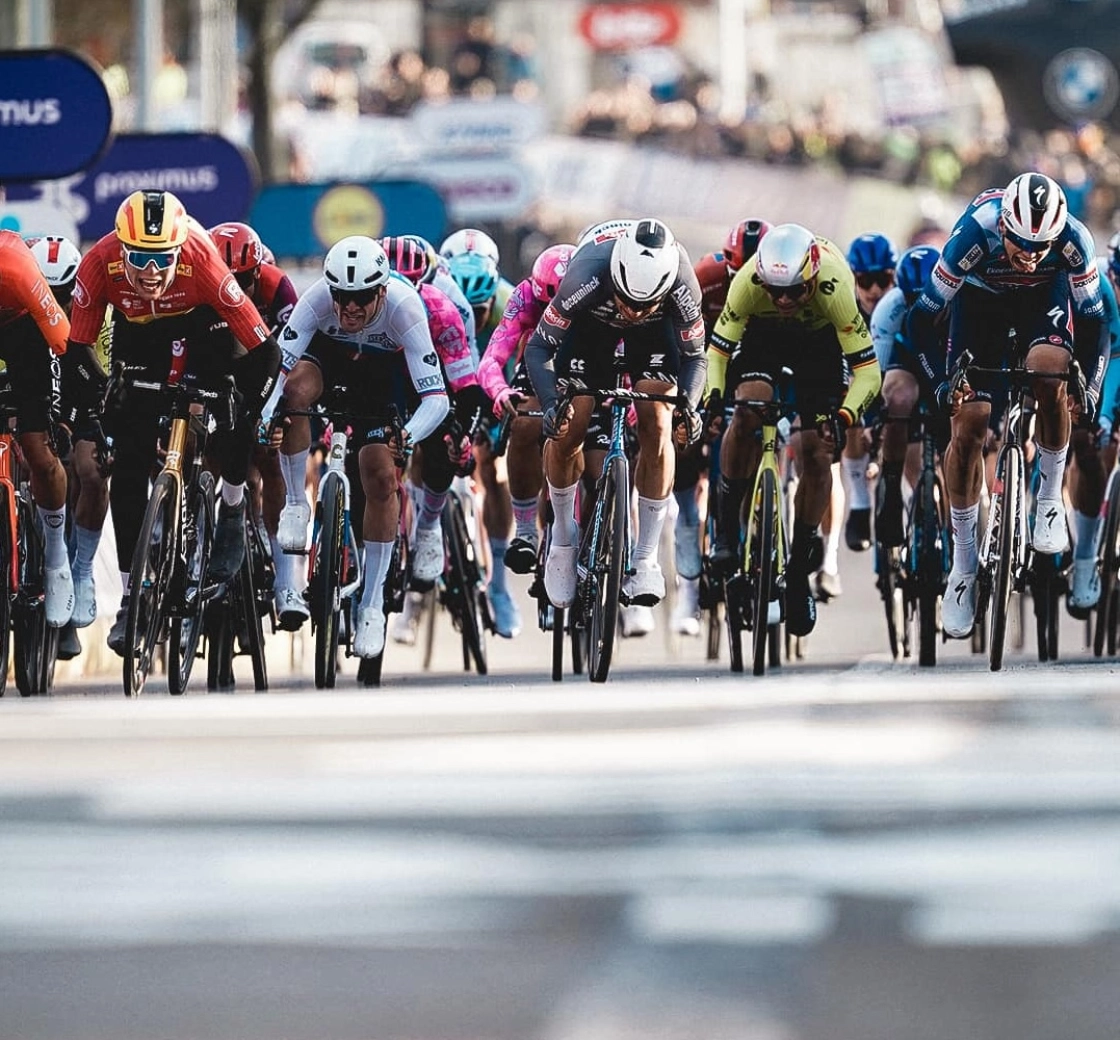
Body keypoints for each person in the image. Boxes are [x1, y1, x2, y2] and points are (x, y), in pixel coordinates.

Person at [64, 190, 282, 655]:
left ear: (178, 248)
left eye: (160, 257)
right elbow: (76, 350)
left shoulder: (200, 257)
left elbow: (264, 353)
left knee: (235, 412)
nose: (149, 271)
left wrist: (245, 412)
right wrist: (103, 398)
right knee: (126, 460)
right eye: (138, 257)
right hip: (137, 336)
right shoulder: (99, 262)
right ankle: (132, 596)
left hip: (204, 326)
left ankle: (231, 505)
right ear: (120, 247)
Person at [908, 172, 1107, 639]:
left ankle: (1048, 500)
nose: (1031, 255)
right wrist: (941, 384)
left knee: (1050, 372)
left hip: (1043, 300)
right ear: (1004, 228)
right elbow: (922, 319)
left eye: (1042, 246)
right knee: (970, 425)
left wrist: (1091, 387)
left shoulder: (1073, 240)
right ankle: (962, 566)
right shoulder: (974, 232)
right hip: (979, 305)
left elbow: (1097, 323)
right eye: (1021, 244)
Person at [273, 236, 449, 659]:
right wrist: (266, 418)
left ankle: (371, 605)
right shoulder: (316, 300)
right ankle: (297, 504)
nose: (351, 308)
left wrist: (407, 433)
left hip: (381, 378)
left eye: (363, 298)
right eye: (343, 297)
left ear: (383, 291)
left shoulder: (405, 308)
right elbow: (277, 371)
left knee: (381, 475)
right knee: (293, 393)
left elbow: (436, 398)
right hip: (328, 360)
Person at [707, 223, 882, 638]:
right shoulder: (750, 282)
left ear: (813, 276)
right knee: (747, 409)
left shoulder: (837, 285)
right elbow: (717, 353)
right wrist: (714, 398)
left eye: (794, 291)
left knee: (817, 449)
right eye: (775, 290)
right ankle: (727, 527)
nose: (784, 299)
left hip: (819, 343)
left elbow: (868, 374)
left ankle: (801, 569)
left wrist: (843, 418)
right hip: (763, 338)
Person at [525, 217, 706, 614]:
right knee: (570, 423)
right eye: (627, 300)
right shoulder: (587, 274)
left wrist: (689, 407)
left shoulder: (681, 285)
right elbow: (538, 349)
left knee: (658, 422)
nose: (634, 312)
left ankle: (644, 558)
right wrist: (553, 402)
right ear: (616, 276)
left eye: (646, 304)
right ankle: (564, 538)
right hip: (590, 329)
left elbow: (695, 358)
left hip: (656, 341)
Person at [681, 217, 772, 636]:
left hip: (756, 359)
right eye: (739, 274)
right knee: (683, 439)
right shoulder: (705, 278)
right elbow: (684, 343)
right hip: (705, 359)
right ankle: (691, 558)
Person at [446, 247, 523, 638]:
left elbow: (514, 363)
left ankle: (497, 582)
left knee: (495, 471)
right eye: (466, 309)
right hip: (449, 380)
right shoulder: (435, 302)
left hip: (496, 382)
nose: (473, 318)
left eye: (481, 310)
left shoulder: (510, 303)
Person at [28, 235, 99, 659]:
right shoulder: (18, 309)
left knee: (82, 470)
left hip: (78, 393)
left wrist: (83, 424)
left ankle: (76, 573)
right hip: (28, 386)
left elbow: (103, 382)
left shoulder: (94, 316)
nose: (54, 303)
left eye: (64, 294)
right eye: (46, 293)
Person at [0, 232, 74, 628]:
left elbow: (65, 344)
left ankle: (57, 559)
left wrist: (78, 413)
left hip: (22, 331)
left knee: (40, 452)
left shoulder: (15, 268)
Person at [868, 244, 941, 548]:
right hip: (907, 360)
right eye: (913, 300)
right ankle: (892, 486)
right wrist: (874, 422)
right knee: (896, 398)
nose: (921, 307)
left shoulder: (964, 297)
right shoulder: (890, 308)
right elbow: (876, 377)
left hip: (946, 359)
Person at [1063, 232, 1120, 616]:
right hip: (1088, 355)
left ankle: (1089, 549)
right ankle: (1073, 540)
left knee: (1106, 435)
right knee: (1080, 435)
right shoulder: (1092, 278)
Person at [840, 233, 898, 556]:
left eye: (883, 279)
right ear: (853, 278)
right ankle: (860, 503)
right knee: (848, 406)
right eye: (865, 280)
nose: (875, 290)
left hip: (893, 387)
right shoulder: (846, 312)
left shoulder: (902, 305)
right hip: (860, 388)